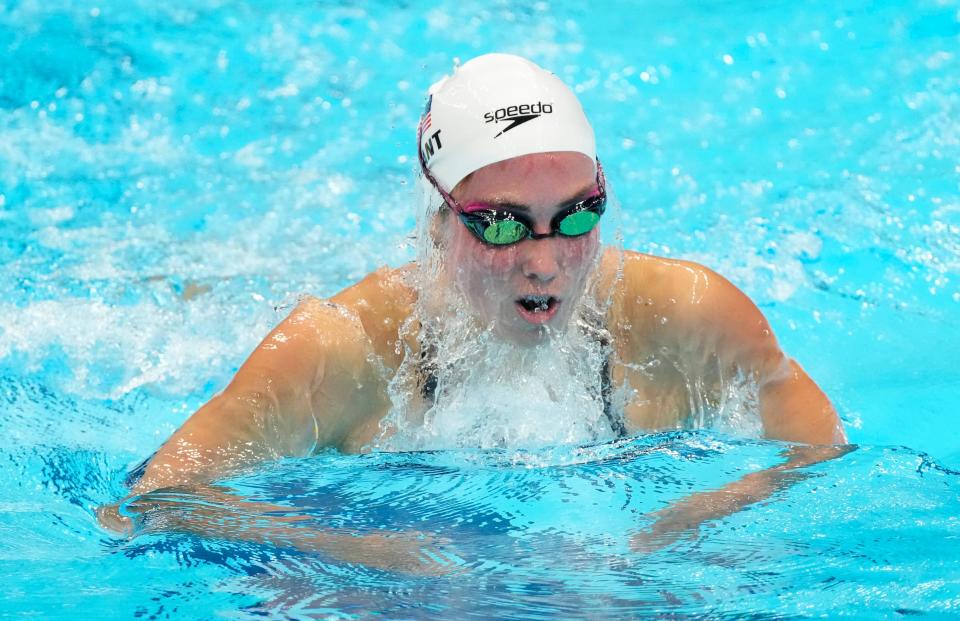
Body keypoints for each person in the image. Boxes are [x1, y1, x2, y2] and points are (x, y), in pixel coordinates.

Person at [100, 54, 847, 558]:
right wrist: (361, 555)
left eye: (579, 215)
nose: (546, 260)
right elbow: (155, 501)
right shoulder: (338, 348)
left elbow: (819, 448)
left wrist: (701, 516)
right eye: (501, 223)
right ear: (437, 220)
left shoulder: (688, 311)